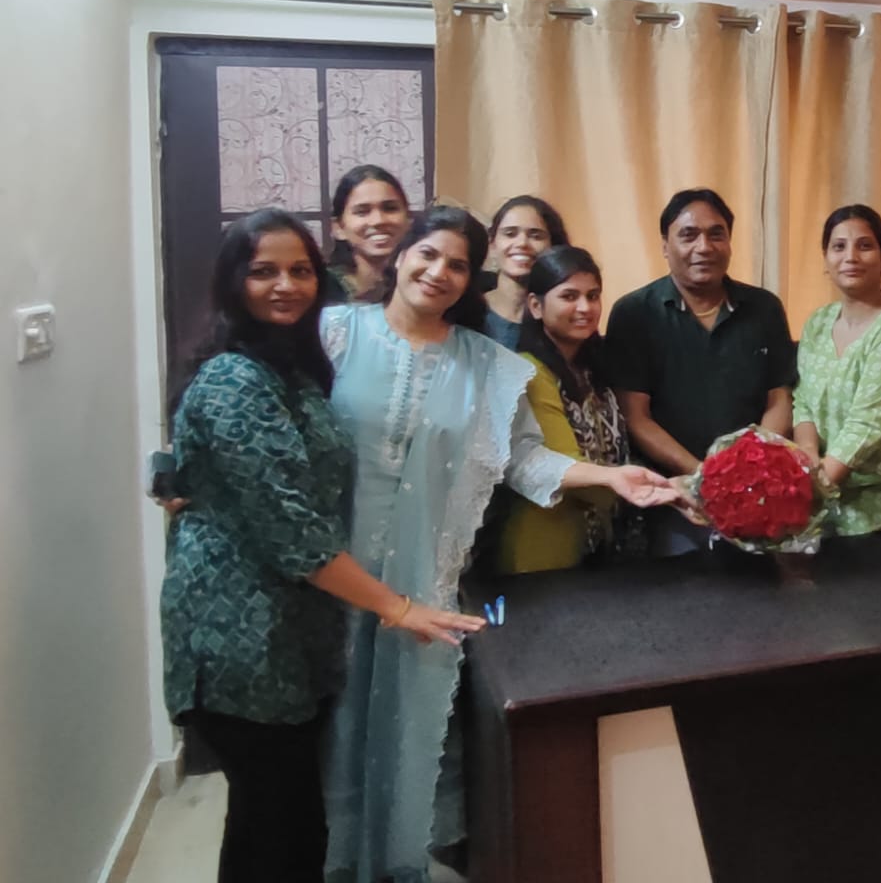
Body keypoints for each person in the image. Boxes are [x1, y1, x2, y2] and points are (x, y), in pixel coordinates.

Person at [319, 206, 679, 882]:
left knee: (410, 746)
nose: (439, 272)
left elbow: (525, 460)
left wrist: (614, 476)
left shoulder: (487, 364)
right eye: (428, 255)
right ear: (400, 256)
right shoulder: (335, 333)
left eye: (458, 264)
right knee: (331, 742)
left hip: (429, 584)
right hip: (332, 582)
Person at [160, 209, 480, 883]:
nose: (286, 285)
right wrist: (399, 609)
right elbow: (294, 532)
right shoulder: (233, 380)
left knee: (277, 824)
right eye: (264, 271)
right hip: (237, 638)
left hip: (292, 632)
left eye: (300, 270)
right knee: (278, 828)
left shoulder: (292, 366)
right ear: (231, 282)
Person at [605, 188, 798, 554]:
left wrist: (746, 471)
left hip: (755, 494)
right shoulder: (634, 313)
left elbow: (779, 399)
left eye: (716, 233)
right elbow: (636, 418)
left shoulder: (764, 308)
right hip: (671, 498)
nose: (704, 246)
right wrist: (707, 479)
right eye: (688, 235)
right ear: (665, 246)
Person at [792, 205, 881, 535]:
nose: (851, 256)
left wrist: (806, 493)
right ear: (826, 258)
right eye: (839, 246)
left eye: (865, 245)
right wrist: (807, 454)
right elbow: (803, 401)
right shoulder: (818, 322)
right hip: (824, 499)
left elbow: (867, 424)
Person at [497, 245, 635, 571]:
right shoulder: (527, 373)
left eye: (593, 295)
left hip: (597, 542)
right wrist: (658, 489)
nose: (585, 308)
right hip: (543, 547)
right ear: (536, 305)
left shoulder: (594, 368)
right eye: (569, 296)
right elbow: (564, 464)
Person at [481, 194, 570, 350]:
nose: (522, 243)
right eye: (510, 234)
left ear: (554, 247)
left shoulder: (562, 317)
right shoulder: (466, 309)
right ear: (492, 244)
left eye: (536, 236)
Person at [327, 165, 409, 303]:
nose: (378, 221)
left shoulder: (423, 284)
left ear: (408, 220)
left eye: (390, 208)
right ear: (339, 228)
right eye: (362, 211)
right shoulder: (322, 288)